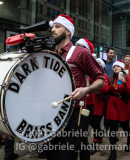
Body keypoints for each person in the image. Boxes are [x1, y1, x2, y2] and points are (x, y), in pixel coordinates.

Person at [48, 14, 105, 160]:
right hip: (53, 114)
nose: (53, 29)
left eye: (57, 26)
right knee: (52, 155)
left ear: (68, 32)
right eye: (52, 26)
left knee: (66, 155)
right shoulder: (53, 54)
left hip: (74, 114)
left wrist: (86, 90)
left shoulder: (80, 52)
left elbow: (100, 78)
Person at [106, 60, 130, 160]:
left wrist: (124, 82)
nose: (116, 68)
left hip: (123, 104)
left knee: (125, 126)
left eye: (118, 67)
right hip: (112, 104)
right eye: (114, 67)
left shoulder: (128, 78)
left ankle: (129, 139)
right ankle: (113, 152)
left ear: (122, 68)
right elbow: (109, 89)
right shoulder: (112, 78)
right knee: (112, 129)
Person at [90, 58, 109, 155]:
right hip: (91, 102)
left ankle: (95, 143)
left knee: (96, 123)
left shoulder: (104, 75)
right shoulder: (90, 75)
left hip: (100, 103)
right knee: (91, 122)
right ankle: (99, 134)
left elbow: (104, 90)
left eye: (98, 63)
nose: (95, 64)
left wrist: (90, 89)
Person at [103, 48, 116, 132]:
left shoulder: (116, 64)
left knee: (114, 110)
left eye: (113, 53)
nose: (112, 54)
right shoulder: (103, 64)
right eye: (110, 53)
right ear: (107, 53)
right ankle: (106, 127)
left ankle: (115, 128)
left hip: (114, 90)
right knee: (106, 110)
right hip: (106, 90)